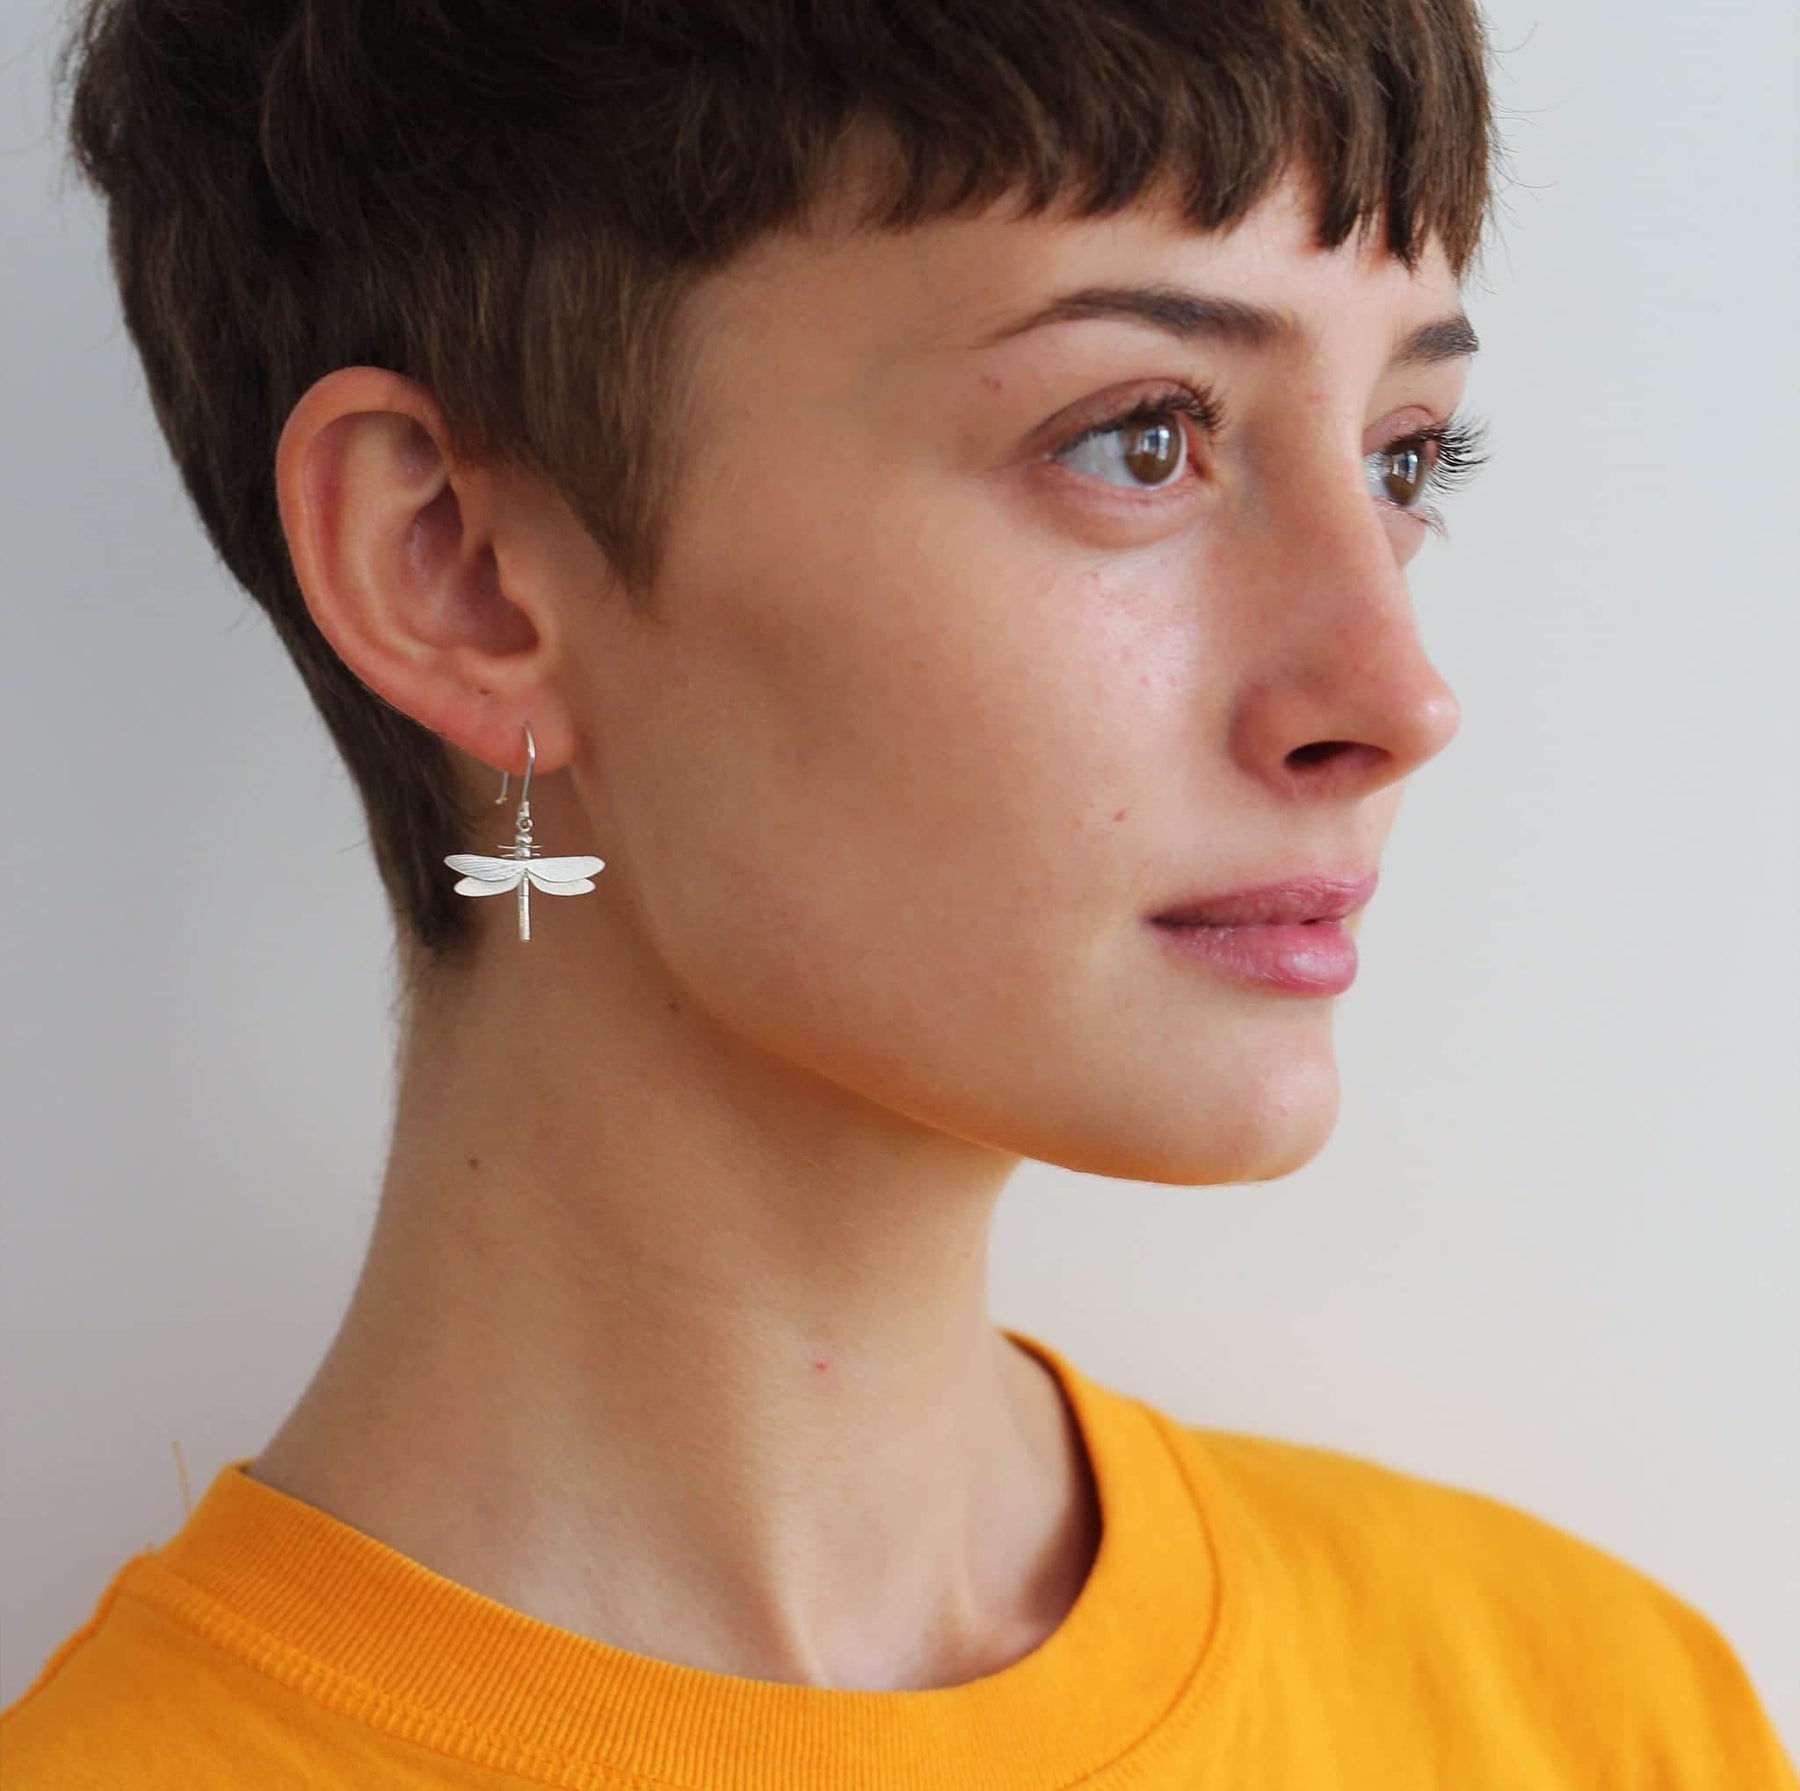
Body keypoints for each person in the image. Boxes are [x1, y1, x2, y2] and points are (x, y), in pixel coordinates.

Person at [4, 0, 1794, 1783]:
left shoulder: (1596, 1724)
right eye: (1141, 436)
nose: (1398, 698)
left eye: (1405, 458)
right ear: (454, 568)